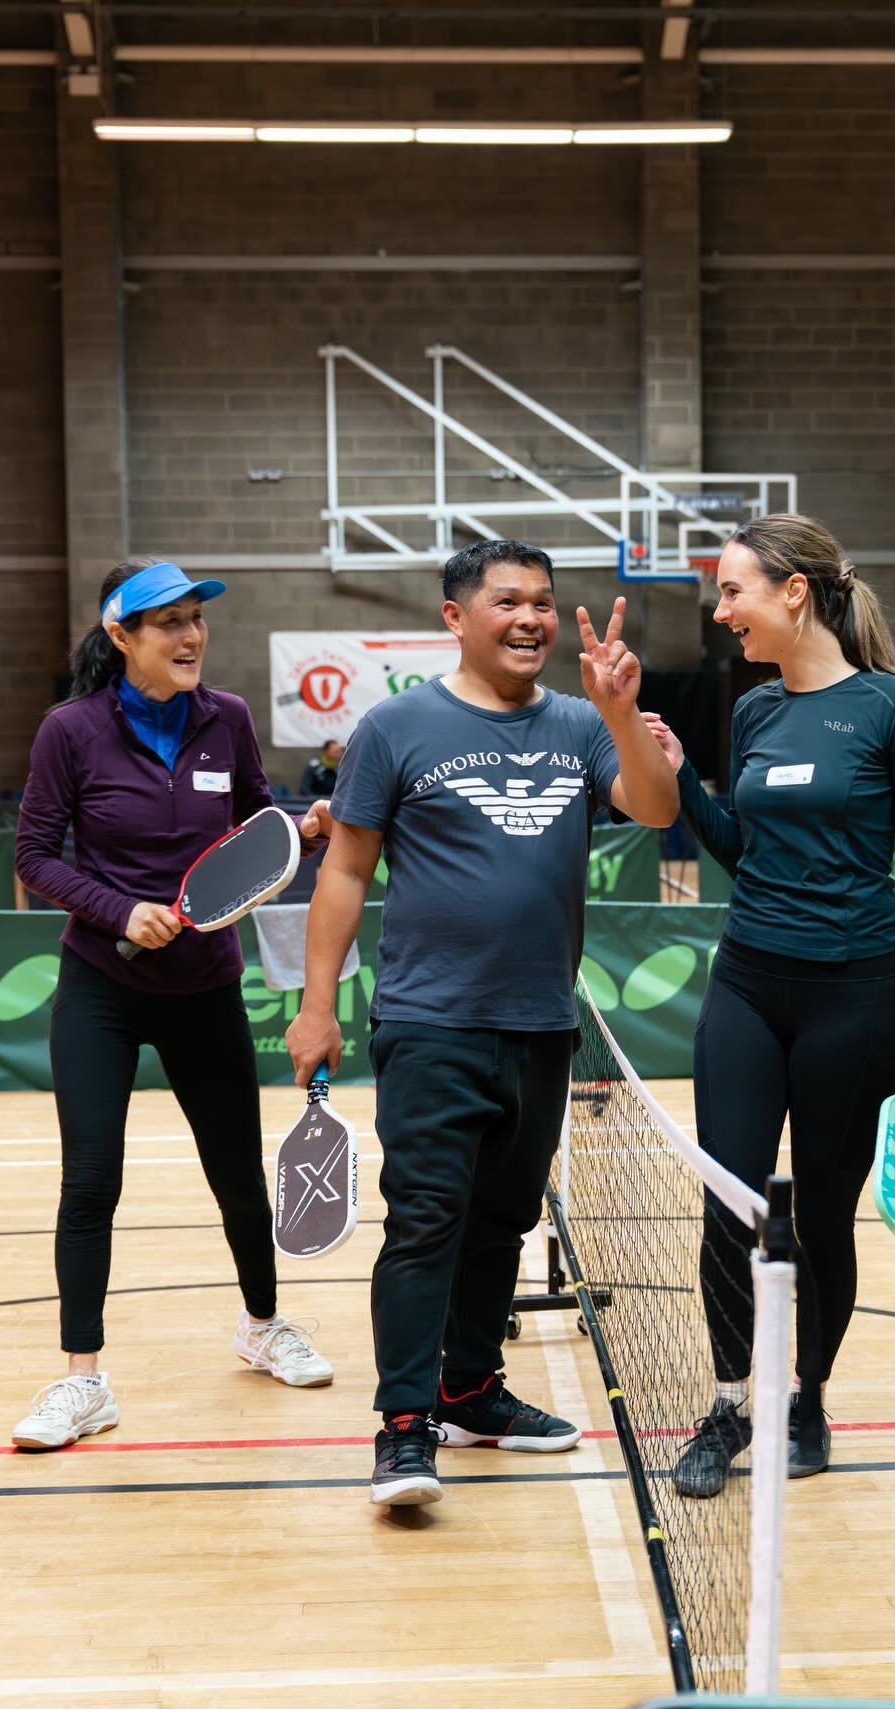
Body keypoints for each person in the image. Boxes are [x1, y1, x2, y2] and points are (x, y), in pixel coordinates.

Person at [284, 540, 679, 1508]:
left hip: (541, 1022)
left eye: (544, 602)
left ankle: (470, 1391)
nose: (532, 619)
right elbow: (344, 869)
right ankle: (406, 1427)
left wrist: (623, 715)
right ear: (457, 617)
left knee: (502, 1221)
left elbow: (658, 809)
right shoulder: (394, 728)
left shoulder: (585, 726)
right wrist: (315, 1002)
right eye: (509, 601)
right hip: (430, 1020)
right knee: (426, 1223)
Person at [642, 513, 895, 1493]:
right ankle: (730, 1406)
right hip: (747, 983)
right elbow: (743, 849)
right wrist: (684, 779)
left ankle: (807, 1399)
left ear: (793, 590)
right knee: (728, 1202)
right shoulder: (753, 713)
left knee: (822, 1218)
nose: (721, 610)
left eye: (734, 590)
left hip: (852, 997)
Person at [12, 557, 336, 1451]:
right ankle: (84, 1383)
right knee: (90, 1181)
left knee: (237, 1172)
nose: (191, 636)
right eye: (169, 624)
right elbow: (36, 855)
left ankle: (263, 1326)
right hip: (102, 989)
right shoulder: (69, 731)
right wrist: (120, 910)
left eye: (197, 619)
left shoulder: (225, 719)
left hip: (204, 987)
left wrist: (304, 830)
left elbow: (255, 832)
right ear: (122, 637)